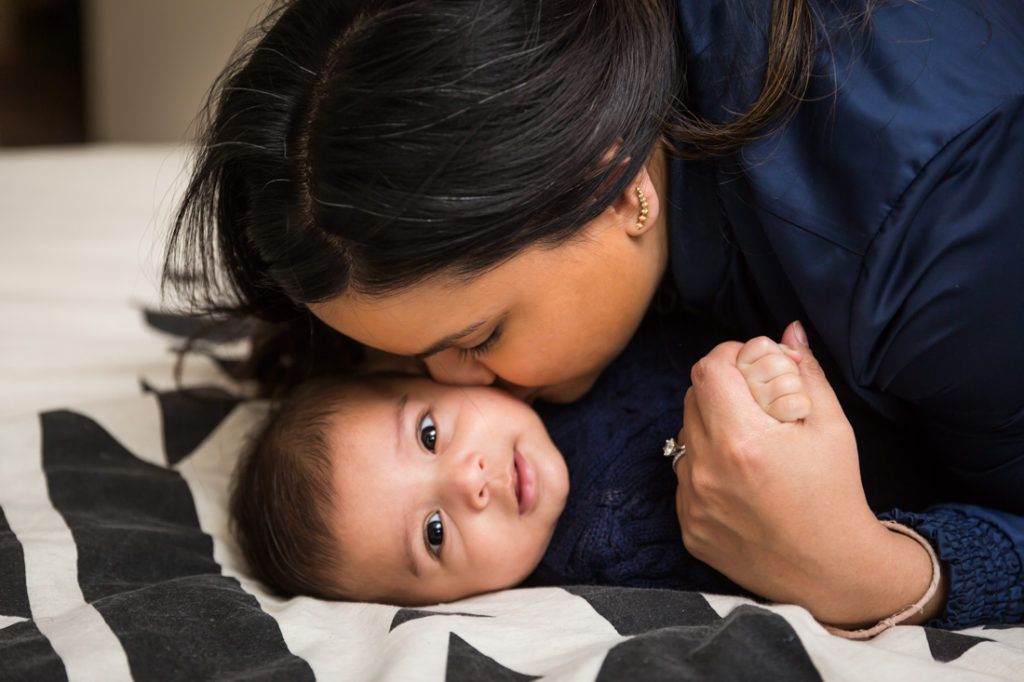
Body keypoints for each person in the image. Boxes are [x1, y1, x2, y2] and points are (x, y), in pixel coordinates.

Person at [165, 0, 1024, 633]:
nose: (462, 383)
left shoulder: (941, 243)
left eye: (475, 339)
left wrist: (871, 572)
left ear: (606, 183)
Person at [234, 321, 814, 608]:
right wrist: (769, 397)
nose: (468, 479)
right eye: (434, 534)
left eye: (429, 433)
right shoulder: (615, 548)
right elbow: (785, 545)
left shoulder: (541, 352)